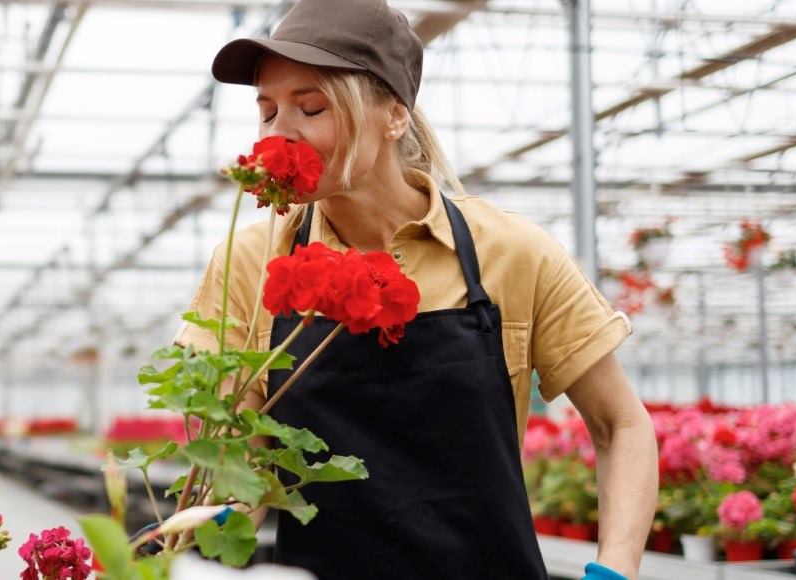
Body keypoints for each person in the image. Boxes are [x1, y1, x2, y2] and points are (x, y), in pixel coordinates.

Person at [175, 0, 658, 577]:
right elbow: (242, 470)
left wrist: (615, 568)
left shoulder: (510, 251)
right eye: (268, 111)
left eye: (310, 108)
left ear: (393, 115)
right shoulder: (252, 261)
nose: (282, 133)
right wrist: (208, 531)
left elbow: (620, 425)